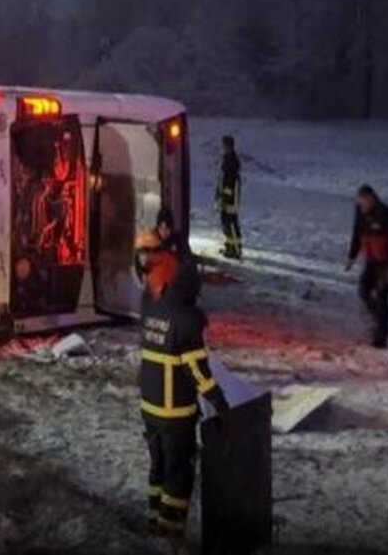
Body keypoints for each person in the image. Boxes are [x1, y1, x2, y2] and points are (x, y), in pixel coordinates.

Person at [135, 231, 228, 543]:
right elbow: (196, 370)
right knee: (178, 475)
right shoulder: (186, 319)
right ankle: (170, 535)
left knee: (157, 468)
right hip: (175, 412)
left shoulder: (150, 305)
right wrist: (218, 399)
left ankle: (152, 524)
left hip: (149, 406)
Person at [345, 184, 388, 348]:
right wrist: (351, 256)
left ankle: (381, 337)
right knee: (364, 290)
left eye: (364, 201)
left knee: (382, 296)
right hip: (371, 258)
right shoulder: (361, 213)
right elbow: (357, 233)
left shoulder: (387, 214)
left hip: (386, 262)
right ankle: (380, 321)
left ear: (371, 198)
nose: (362, 205)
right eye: (360, 202)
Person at [216, 136, 243, 259]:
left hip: (231, 199)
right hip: (226, 197)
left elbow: (230, 182)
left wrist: (224, 196)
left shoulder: (231, 161)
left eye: (224, 145)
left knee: (231, 223)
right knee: (226, 222)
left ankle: (236, 249)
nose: (223, 148)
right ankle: (230, 246)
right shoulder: (227, 159)